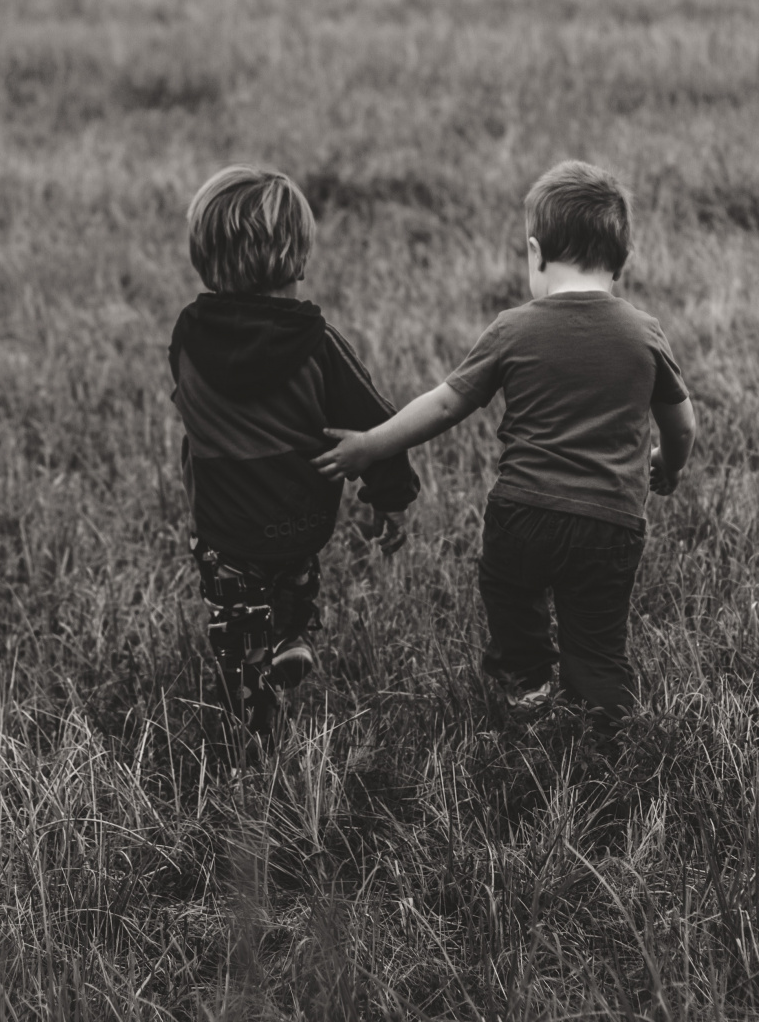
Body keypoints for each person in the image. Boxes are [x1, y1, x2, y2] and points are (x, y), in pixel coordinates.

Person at [315, 160, 696, 735]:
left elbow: (444, 405)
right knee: (596, 639)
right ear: (624, 259)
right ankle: (603, 718)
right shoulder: (644, 332)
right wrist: (667, 465)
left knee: (511, 598)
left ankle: (527, 684)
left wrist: (370, 443)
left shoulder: (513, 328)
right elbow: (682, 423)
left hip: (523, 516)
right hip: (610, 524)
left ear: (536, 252)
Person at [170, 164, 418, 748]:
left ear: (204, 258)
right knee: (294, 574)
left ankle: (252, 729)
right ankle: (293, 635)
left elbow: (186, 400)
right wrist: (392, 497)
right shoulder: (317, 344)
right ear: (298, 259)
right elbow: (378, 422)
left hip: (225, 530)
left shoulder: (188, 336)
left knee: (237, 635)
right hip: (301, 520)